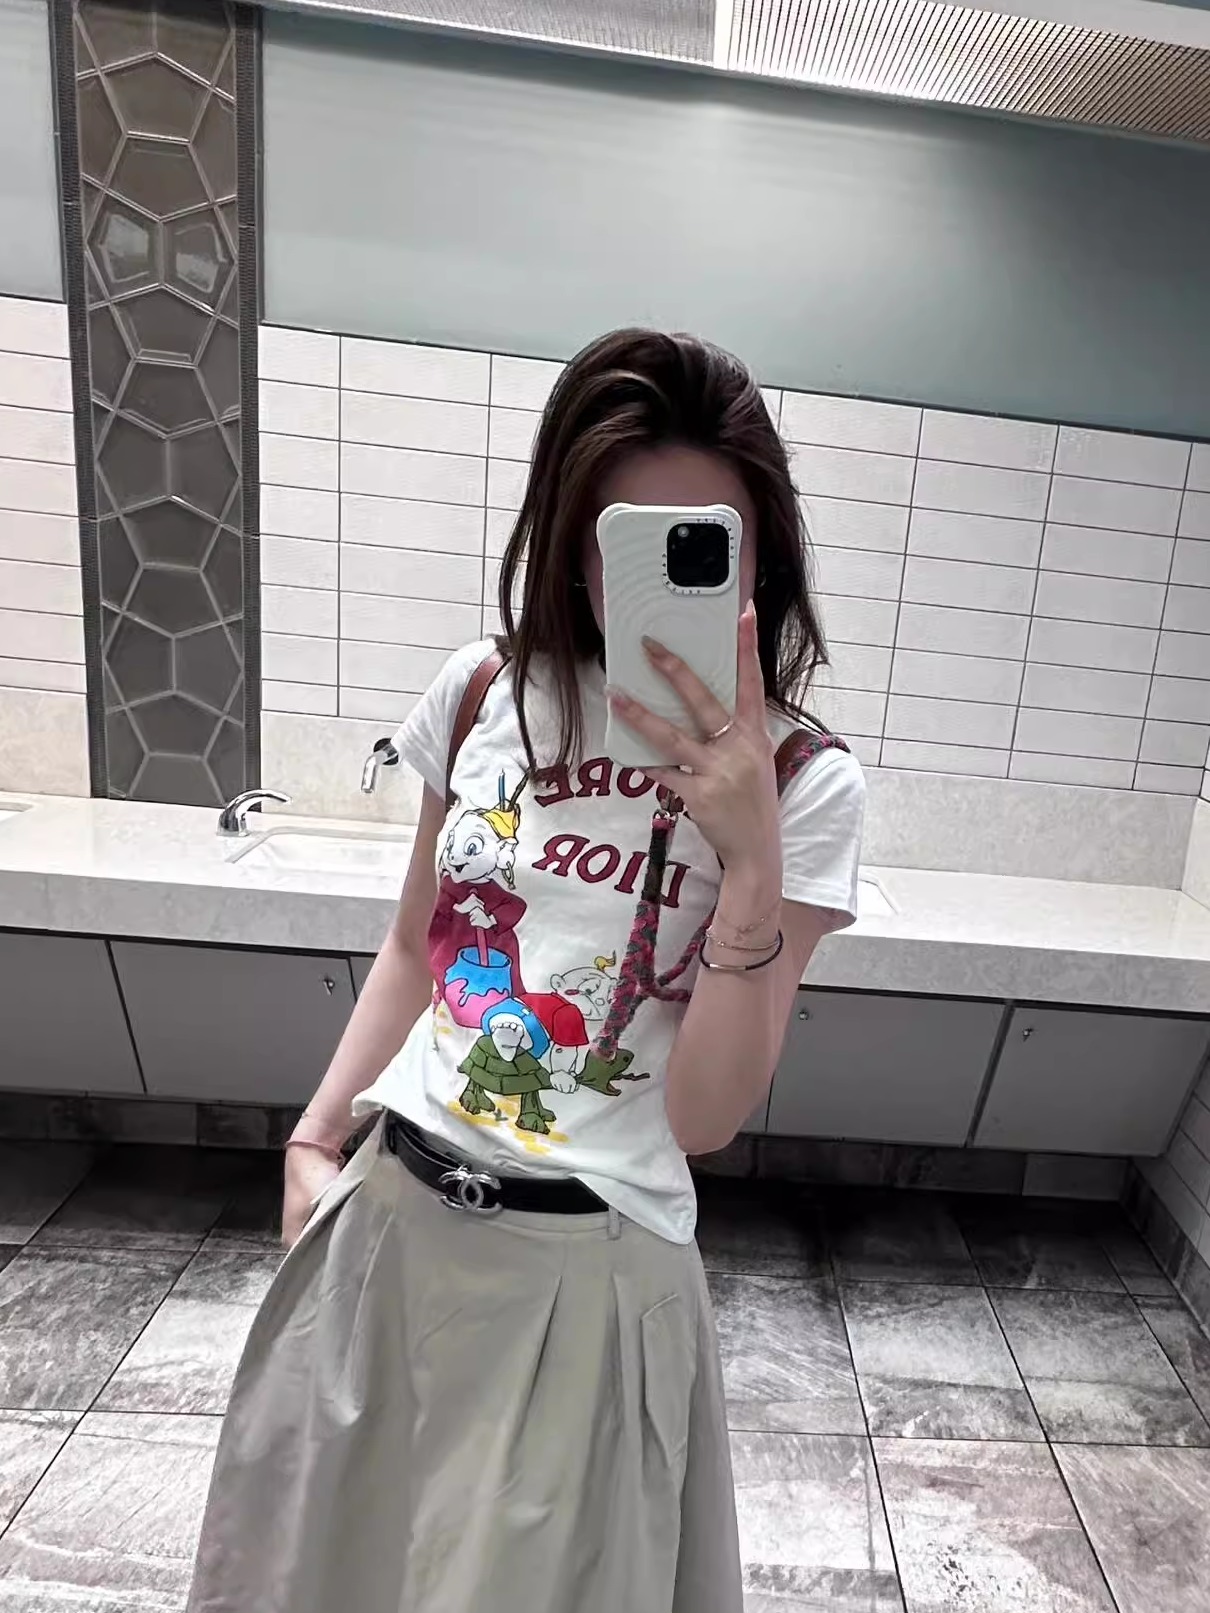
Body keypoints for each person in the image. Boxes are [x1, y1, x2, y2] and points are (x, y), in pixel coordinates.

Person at [186, 328, 866, 1613]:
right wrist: (315, 1135)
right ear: (568, 536)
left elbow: (703, 1116)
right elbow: (417, 945)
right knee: (322, 1579)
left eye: (702, 540)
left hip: (586, 1282)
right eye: (622, 538)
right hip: (390, 1229)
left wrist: (750, 862)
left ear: (759, 553)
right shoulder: (483, 691)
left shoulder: (802, 781)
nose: (649, 576)